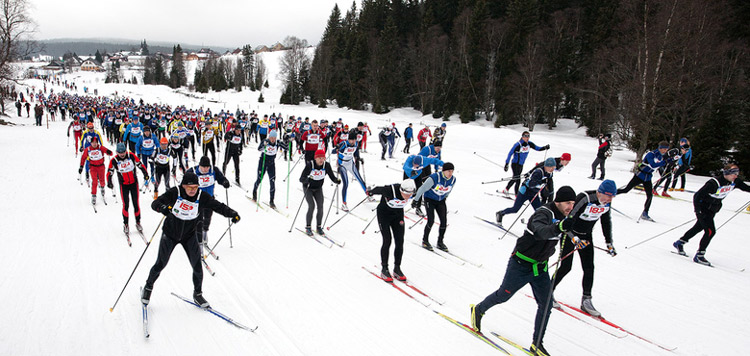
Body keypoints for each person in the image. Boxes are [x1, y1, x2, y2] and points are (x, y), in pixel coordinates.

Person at [471, 186, 577, 356]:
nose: (570, 207)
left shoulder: (564, 216)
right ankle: (478, 309)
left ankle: (537, 344)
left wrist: (576, 238)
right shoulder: (543, 213)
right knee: (503, 295)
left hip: (540, 268)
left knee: (546, 304)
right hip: (521, 264)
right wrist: (559, 227)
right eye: (567, 203)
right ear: (557, 201)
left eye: (572, 203)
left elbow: (566, 229)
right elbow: (541, 231)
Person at [141, 172, 240, 308]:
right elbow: (155, 203)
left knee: (197, 266)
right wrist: (162, 208)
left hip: (189, 235)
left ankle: (197, 294)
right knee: (160, 264)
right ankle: (148, 288)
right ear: (183, 186)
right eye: (190, 187)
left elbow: (217, 206)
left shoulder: (201, 196)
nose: (193, 190)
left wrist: (232, 213)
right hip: (170, 234)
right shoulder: (175, 192)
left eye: (195, 187)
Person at [551, 180, 618, 318]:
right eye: (608, 196)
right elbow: (568, 218)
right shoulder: (585, 198)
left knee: (589, 267)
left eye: (612, 197)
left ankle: (586, 300)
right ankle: (547, 291)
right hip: (570, 234)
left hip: (586, 236)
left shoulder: (606, 203)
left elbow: (606, 221)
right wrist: (573, 238)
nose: (610, 199)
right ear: (600, 192)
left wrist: (609, 242)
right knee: (566, 266)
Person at [673, 164, 750, 266]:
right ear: (726, 173)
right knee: (710, 231)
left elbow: (746, 188)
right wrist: (698, 211)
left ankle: (680, 242)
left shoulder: (735, 182)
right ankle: (700, 255)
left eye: (737, 173)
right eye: (733, 174)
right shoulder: (714, 183)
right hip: (703, 208)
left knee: (698, 227)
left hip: (713, 209)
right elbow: (697, 195)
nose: (736, 176)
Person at [366, 179, 417, 282]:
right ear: (401, 190)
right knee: (387, 240)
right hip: (384, 215)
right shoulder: (390, 190)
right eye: (406, 194)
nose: (408, 196)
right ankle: (384, 268)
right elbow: (377, 189)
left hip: (397, 216)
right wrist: (370, 192)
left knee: (400, 241)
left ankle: (397, 268)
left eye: (410, 194)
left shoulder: (412, 192)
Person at [616, 141, 677, 222]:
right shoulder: (651, 154)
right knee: (626, 190)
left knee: (650, 195)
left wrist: (672, 162)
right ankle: (606, 195)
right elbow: (653, 165)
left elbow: (664, 163)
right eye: (664, 149)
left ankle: (645, 213)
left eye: (667, 149)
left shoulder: (662, 156)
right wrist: (665, 162)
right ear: (660, 148)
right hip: (640, 175)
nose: (665, 151)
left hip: (647, 177)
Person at [496, 157, 556, 226]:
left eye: (553, 167)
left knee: (539, 211)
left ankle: (536, 226)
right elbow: (531, 184)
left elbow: (550, 188)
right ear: (546, 166)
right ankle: (500, 213)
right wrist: (541, 181)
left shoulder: (549, 174)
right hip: (525, 192)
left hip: (534, 194)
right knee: (515, 209)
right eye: (551, 167)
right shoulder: (539, 172)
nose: (552, 169)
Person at [107, 143, 149, 233]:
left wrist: (145, 174)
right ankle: (126, 224)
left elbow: (140, 165)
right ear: (117, 152)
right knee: (126, 205)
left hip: (134, 183)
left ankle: (138, 222)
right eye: (120, 153)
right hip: (124, 185)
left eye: (123, 152)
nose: (122, 154)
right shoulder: (114, 160)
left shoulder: (131, 156)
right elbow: (110, 172)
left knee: (136, 204)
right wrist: (109, 181)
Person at [414, 162, 456, 252]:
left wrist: (445, 197)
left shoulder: (453, 179)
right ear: (443, 171)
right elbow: (422, 189)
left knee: (444, 222)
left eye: (452, 171)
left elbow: (449, 190)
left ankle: (440, 242)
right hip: (430, 199)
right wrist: (416, 200)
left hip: (440, 200)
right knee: (431, 220)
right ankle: (425, 240)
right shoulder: (434, 178)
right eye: (448, 171)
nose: (450, 173)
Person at [300, 150, 341, 235]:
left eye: (323, 158)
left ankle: (318, 227)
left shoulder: (326, 165)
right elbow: (301, 179)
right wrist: (307, 180)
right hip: (308, 188)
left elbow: (332, 176)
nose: (321, 160)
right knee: (311, 206)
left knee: (320, 207)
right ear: (315, 158)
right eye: (319, 158)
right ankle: (308, 227)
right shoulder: (310, 165)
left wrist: (336, 180)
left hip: (318, 188)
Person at [336, 132, 368, 212]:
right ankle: (344, 203)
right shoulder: (344, 144)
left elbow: (356, 153)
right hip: (342, 164)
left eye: (354, 140)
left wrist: (358, 158)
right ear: (348, 139)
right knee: (346, 183)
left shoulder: (356, 143)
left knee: (360, 179)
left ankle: (368, 194)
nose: (353, 141)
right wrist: (337, 148)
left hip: (350, 163)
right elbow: (334, 151)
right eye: (351, 140)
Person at [79, 137, 113, 205]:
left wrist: (109, 152)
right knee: (94, 182)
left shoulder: (100, 148)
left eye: (95, 142)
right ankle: (93, 195)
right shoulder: (88, 149)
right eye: (93, 142)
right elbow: (83, 158)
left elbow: (110, 153)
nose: (94, 144)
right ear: (91, 143)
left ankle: (102, 188)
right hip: (93, 167)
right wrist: (81, 167)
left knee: (102, 180)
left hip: (101, 166)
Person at [251, 130, 280, 208]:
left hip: (271, 164)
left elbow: (286, 147)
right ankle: (254, 193)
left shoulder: (277, 143)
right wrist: (264, 145)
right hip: (263, 162)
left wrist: (288, 141)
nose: (273, 139)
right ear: (269, 137)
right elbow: (259, 149)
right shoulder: (265, 141)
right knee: (259, 179)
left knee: (272, 182)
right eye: (271, 138)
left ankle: (271, 201)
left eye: (274, 138)